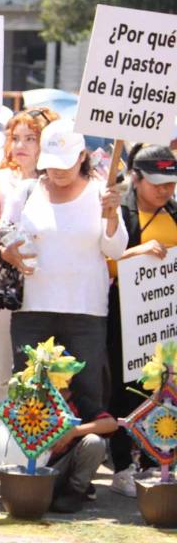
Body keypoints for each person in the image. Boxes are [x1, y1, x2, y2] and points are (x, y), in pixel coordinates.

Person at [0, 119, 127, 426]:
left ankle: (80, 456)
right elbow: (3, 235)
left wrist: (110, 217)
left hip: (86, 311)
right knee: (29, 389)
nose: (57, 172)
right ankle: (32, 462)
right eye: (52, 164)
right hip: (33, 309)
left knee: (86, 393)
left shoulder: (102, 193)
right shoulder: (27, 190)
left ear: (82, 156)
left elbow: (116, 250)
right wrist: (9, 252)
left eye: (65, 164)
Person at [0, 107, 58, 476]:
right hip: (5, 293)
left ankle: (38, 447)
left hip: (48, 290)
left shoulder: (59, 180)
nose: (20, 145)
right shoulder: (0, 181)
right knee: (3, 371)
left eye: (31, 138)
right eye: (15, 137)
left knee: (41, 372)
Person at [106, 144, 177, 497]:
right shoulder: (119, 212)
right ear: (136, 179)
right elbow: (103, 260)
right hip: (122, 321)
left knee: (162, 392)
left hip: (164, 324)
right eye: (157, 183)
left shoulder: (174, 214)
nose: (165, 190)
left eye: (170, 184)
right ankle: (121, 465)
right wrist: (137, 252)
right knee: (122, 392)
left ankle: (156, 462)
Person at [48, 388, 118, 513]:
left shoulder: (79, 401)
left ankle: (75, 492)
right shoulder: (32, 397)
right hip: (33, 469)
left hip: (62, 468)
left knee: (95, 442)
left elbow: (111, 423)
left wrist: (74, 432)